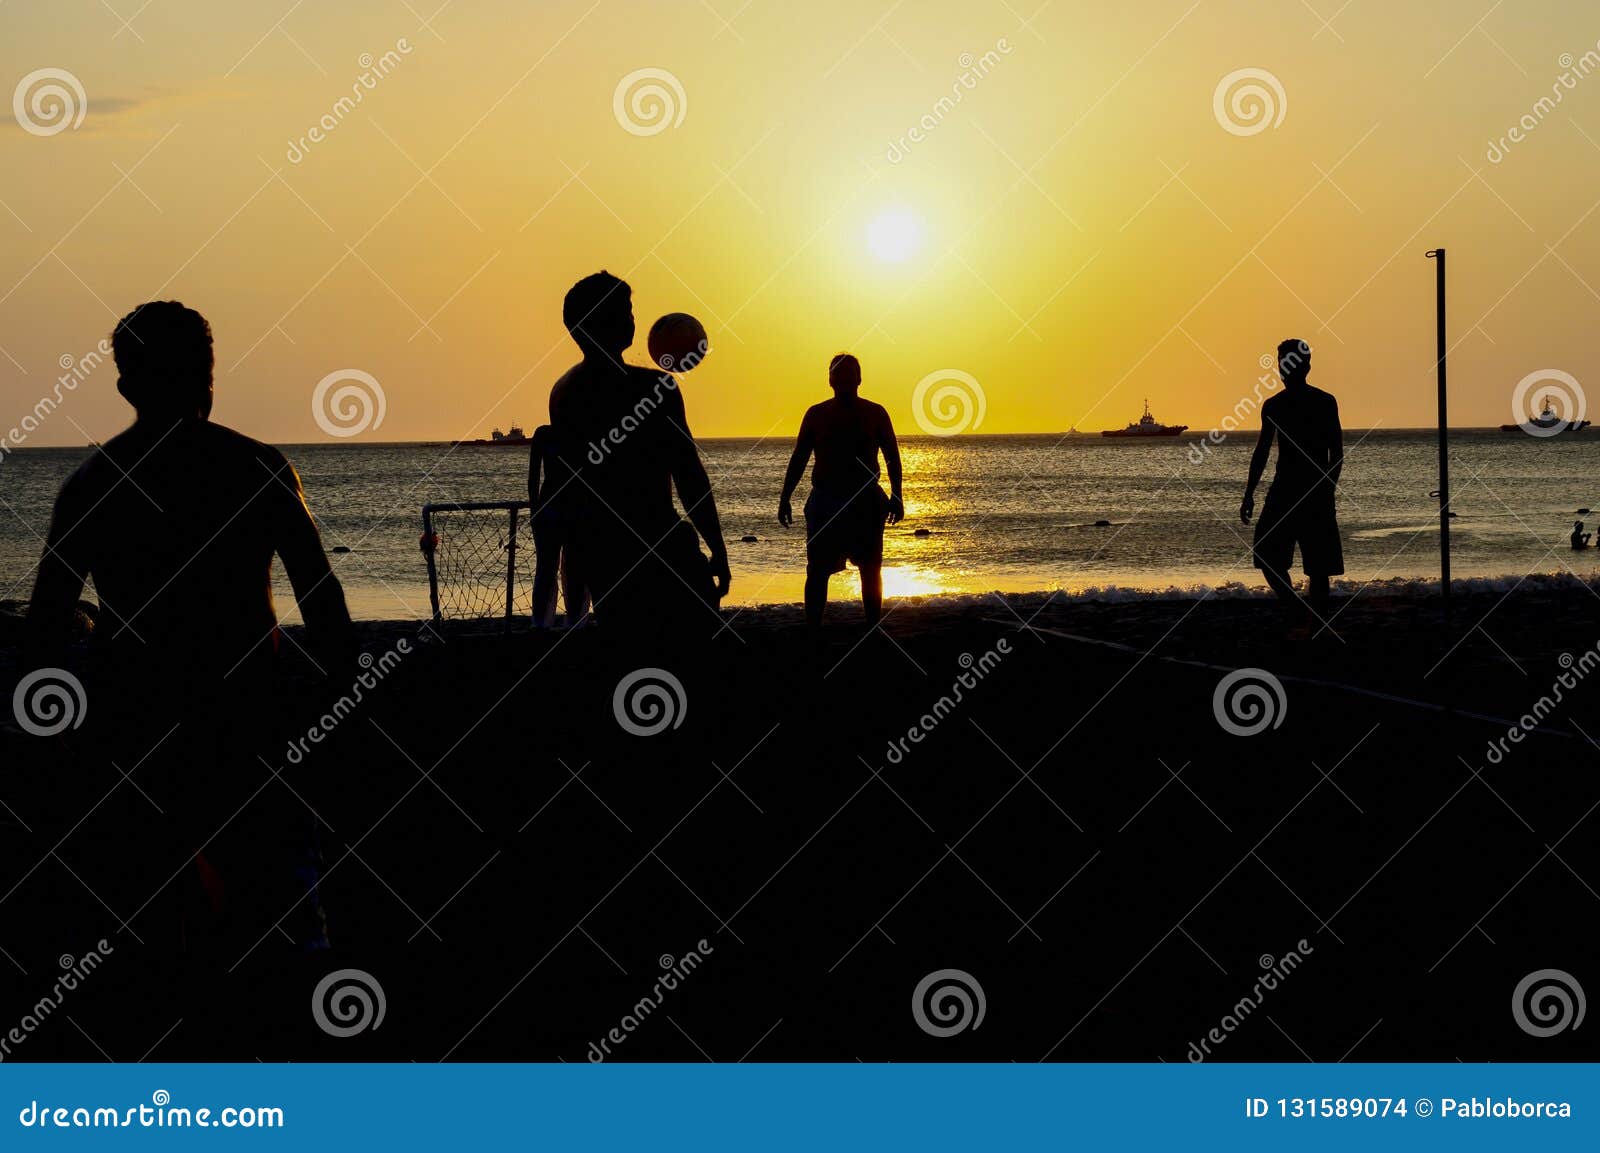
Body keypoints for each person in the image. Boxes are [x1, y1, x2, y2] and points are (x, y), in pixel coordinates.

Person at [25, 300, 353, 954]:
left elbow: (42, 632)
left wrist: (63, 728)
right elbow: (324, 603)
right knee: (286, 926)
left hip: (140, 735)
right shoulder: (260, 469)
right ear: (209, 377)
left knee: (156, 933)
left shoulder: (92, 486)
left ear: (126, 386)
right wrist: (329, 703)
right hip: (252, 728)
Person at [547, 272, 730, 634]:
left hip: (603, 554)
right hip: (660, 543)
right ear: (602, 322)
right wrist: (718, 548)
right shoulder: (655, 387)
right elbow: (689, 474)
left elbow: (569, 487)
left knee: (631, 659)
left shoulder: (563, 392)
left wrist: (577, 561)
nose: (633, 320)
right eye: (625, 311)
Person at [778, 354, 904, 630]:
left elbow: (892, 457)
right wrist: (785, 497)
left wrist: (897, 495)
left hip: (866, 501)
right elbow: (799, 457)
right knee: (817, 570)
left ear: (859, 379)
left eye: (850, 373)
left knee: (870, 570)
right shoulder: (816, 414)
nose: (844, 378)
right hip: (825, 500)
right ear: (830, 380)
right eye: (838, 374)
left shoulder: (875, 413)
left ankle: (872, 628)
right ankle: (813, 630)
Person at [1240, 338, 1343, 628]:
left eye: (1288, 363)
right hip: (1286, 490)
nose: (1283, 370)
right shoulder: (1274, 405)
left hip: (1306, 490)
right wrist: (1249, 493)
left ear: (1305, 366)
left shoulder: (1323, 402)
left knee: (1319, 567)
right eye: (1281, 364)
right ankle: (1299, 610)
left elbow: (1336, 451)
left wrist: (1328, 487)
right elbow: (1261, 452)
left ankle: (1315, 621)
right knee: (1269, 555)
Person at [528, 423, 589, 627]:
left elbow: (533, 477)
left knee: (550, 569)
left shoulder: (544, 434)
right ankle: (572, 620)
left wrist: (535, 509)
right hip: (569, 510)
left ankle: (543, 622)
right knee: (566, 569)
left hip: (554, 509)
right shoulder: (583, 431)